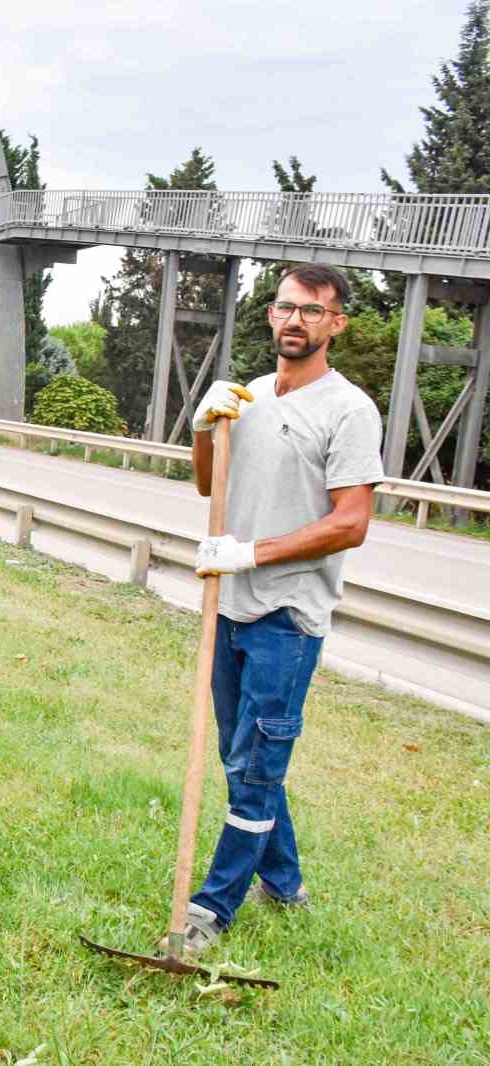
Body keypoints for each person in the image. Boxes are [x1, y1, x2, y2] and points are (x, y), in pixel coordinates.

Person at [178, 262, 384, 953]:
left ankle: (210, 909)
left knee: (256, 768)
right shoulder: (251, 396)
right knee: (249, 765)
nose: (294, 320)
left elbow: (350, 523)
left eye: (312, 311)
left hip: (286, 618)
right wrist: (205, 429)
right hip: (228, 608)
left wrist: (251, 554)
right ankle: (286, 883)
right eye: (285, 307)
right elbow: (211, 484)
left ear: (336, 324)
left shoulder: (349, 410)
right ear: (271, 315)